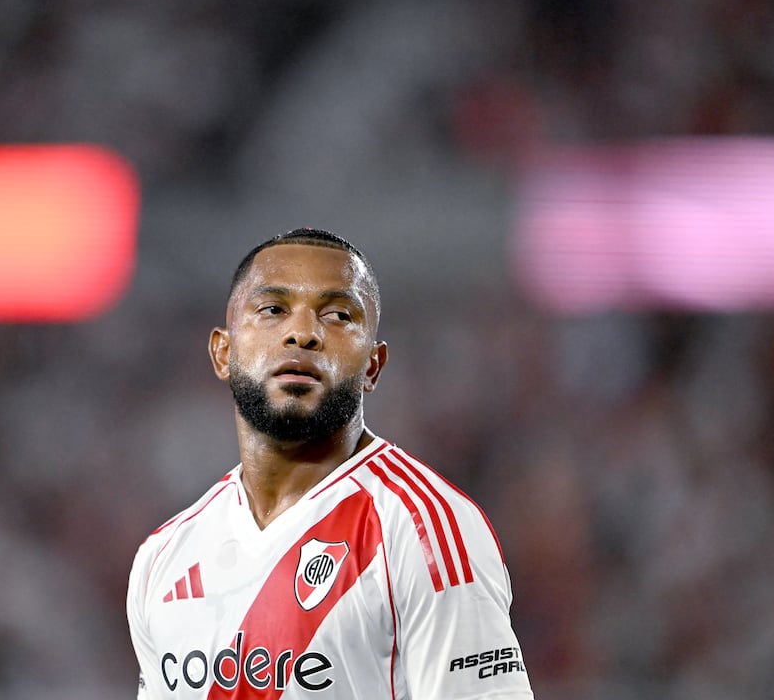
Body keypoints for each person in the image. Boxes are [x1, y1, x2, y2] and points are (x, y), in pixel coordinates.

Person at [127, 228, 534, 698]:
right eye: (273, 309)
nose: (302, 333)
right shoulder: (163, 557)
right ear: (223, 352)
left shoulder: (424, 530)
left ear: (373, 366)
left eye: (338, 315)